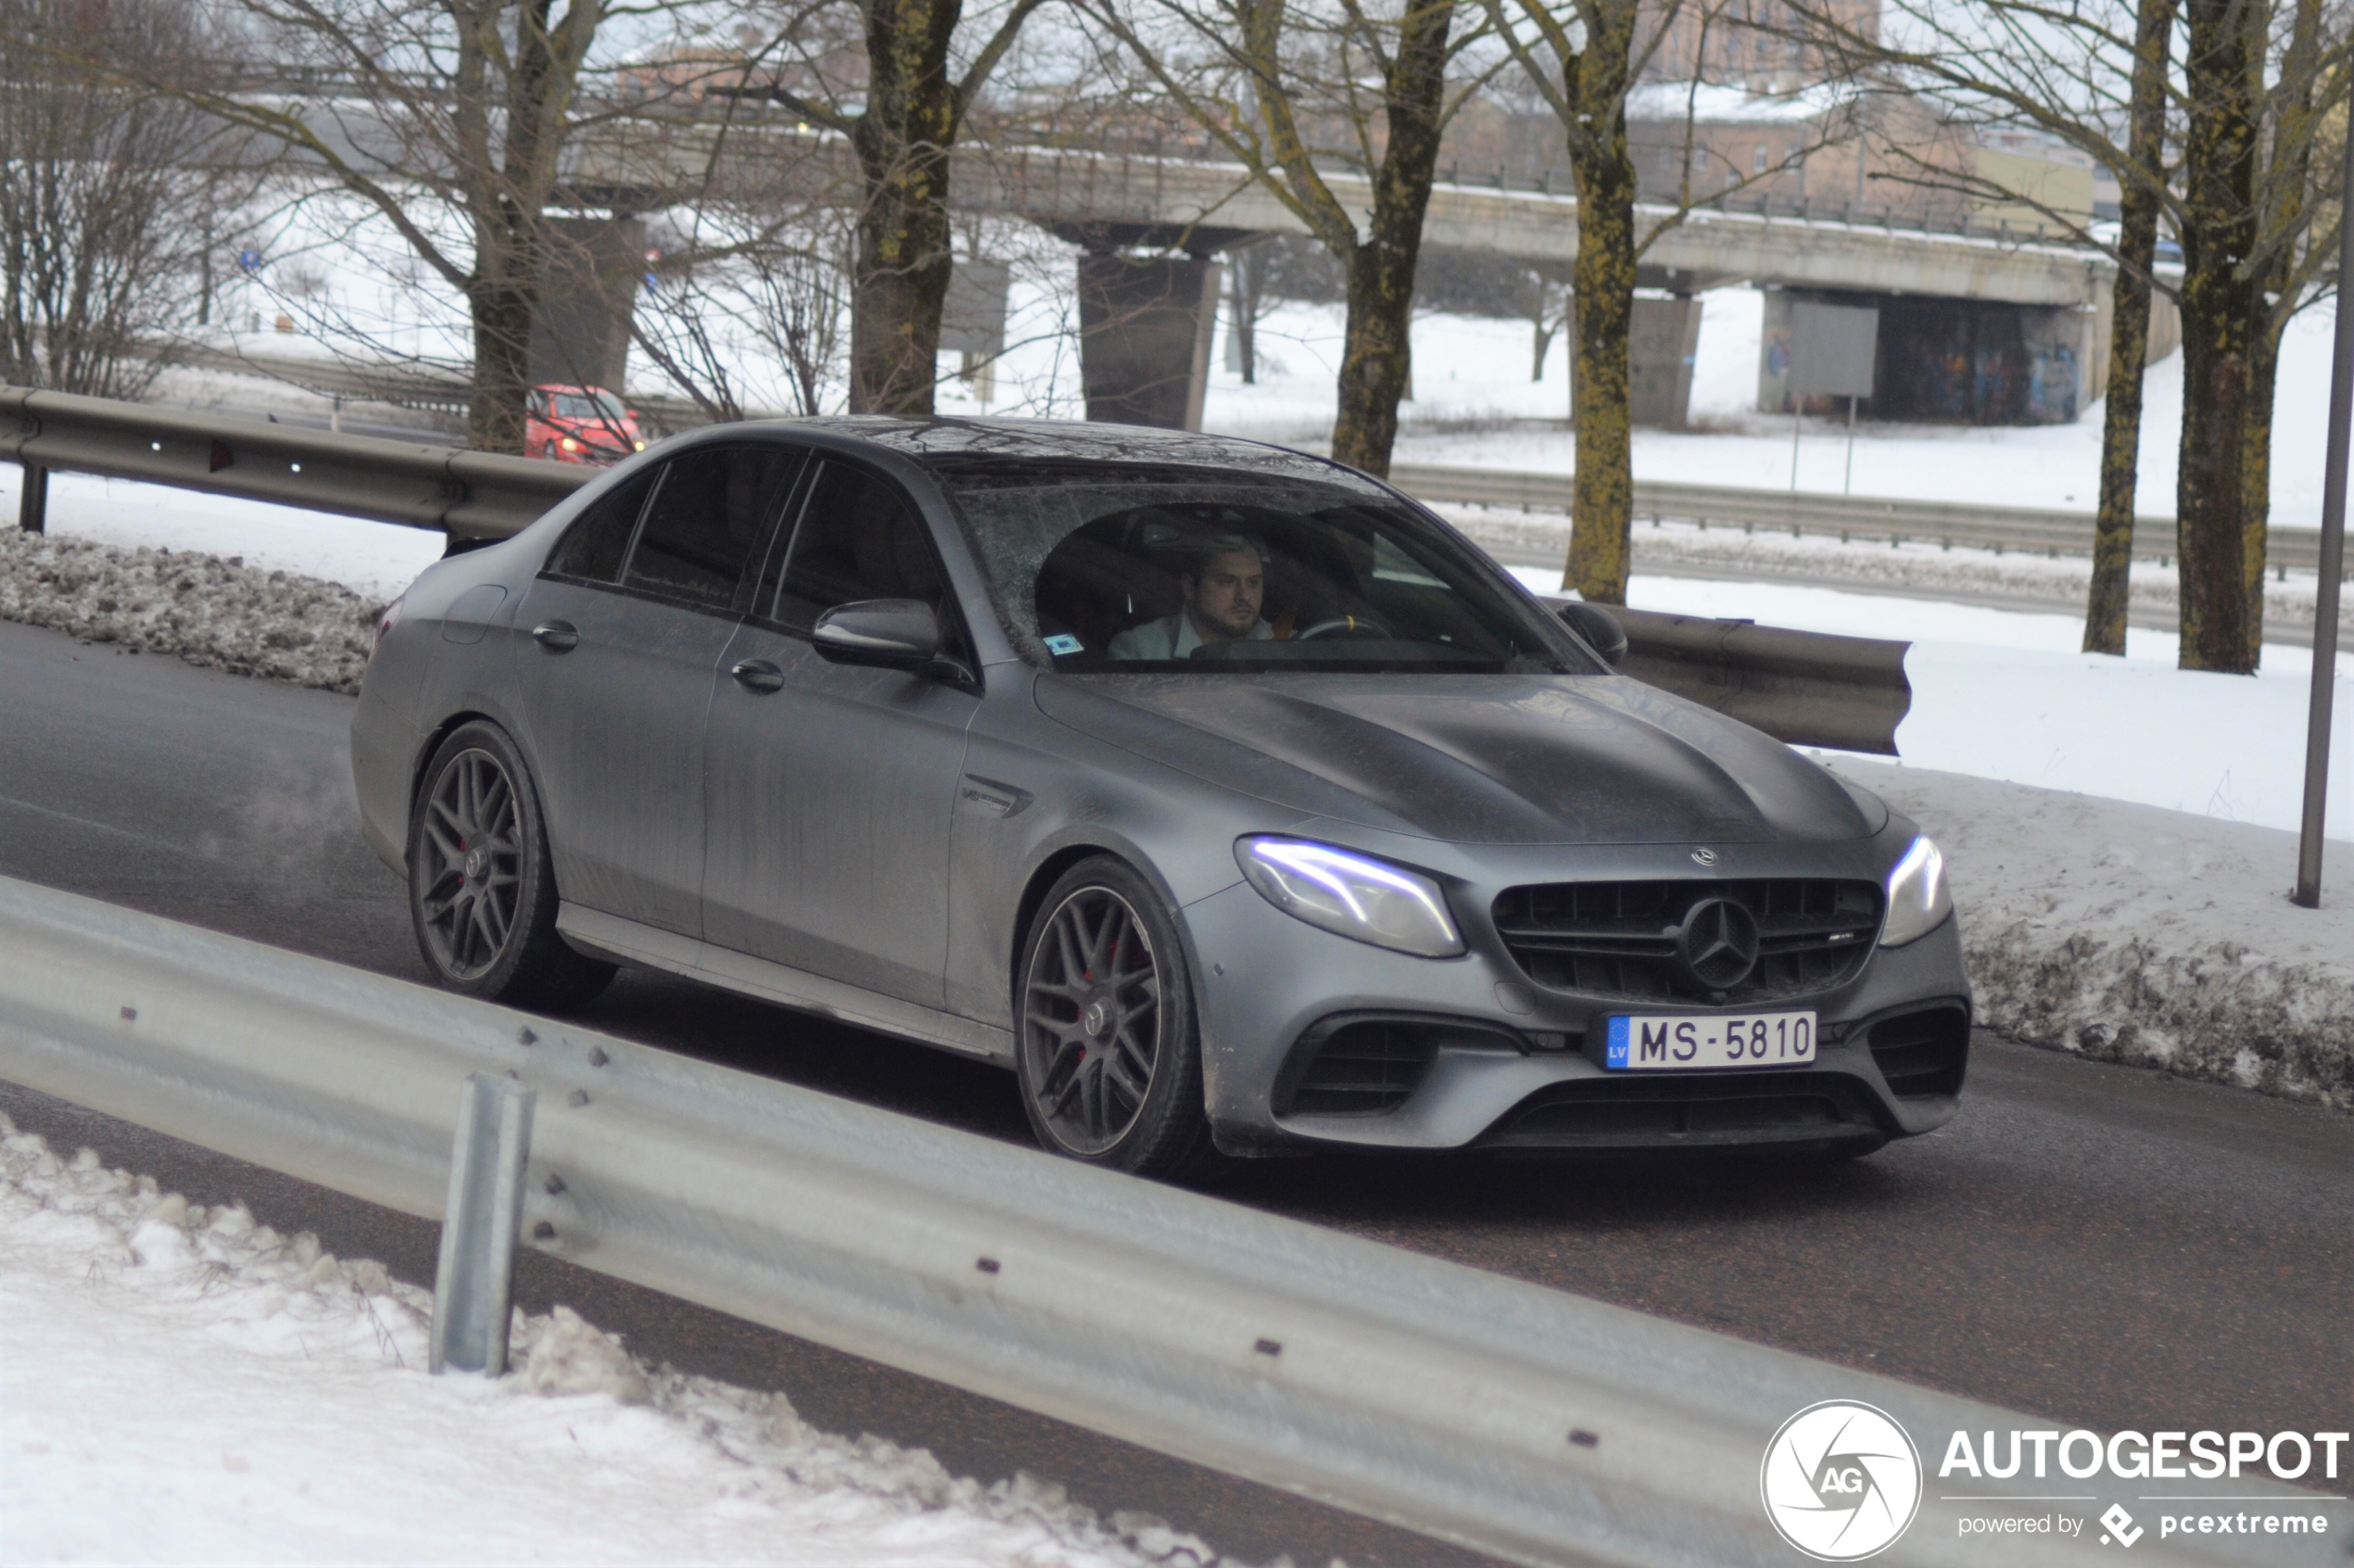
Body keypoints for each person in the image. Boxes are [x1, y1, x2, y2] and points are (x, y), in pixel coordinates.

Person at [1107, 537, 1275, 660]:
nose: (1244, 596)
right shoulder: (1140, 650)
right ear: (1189, 587)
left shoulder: (1293, 644)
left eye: (1253, 583)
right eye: (1226, 582)